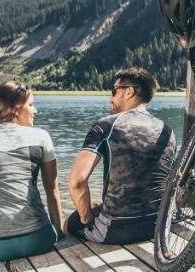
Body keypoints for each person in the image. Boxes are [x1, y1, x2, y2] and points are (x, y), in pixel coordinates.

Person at [66, 67, 176, 244]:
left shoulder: (106, 126)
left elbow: (76, 182)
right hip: (158, 226)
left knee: (72, 221)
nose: (110, 98)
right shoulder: (168, 131)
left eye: (114, 91)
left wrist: (86, 221)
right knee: (97, 206)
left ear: (130, 91)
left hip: (116, 230)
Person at [0, 82, 63, 263]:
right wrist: (59, 233)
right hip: (39, 241)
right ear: (16, 108)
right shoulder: (41, 136)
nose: (35, 111)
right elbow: (52, 191)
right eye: (31, 105)